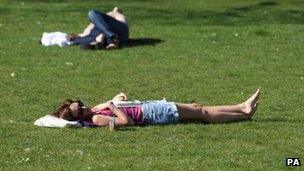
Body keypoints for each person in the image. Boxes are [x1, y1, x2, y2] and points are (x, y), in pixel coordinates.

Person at [52, 89, 260, 129]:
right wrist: (112, 106)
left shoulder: (94, 111)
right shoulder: (96, 120)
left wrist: (115, 100)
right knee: (201, 113)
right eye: (80, 110)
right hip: (151, 113)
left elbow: (115, 108)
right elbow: (126, 122)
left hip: (148, 107)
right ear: (78, 117)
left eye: (81, 104)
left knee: (198, 108)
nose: (84, 107)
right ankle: (244, 111)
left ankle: (242, 109)